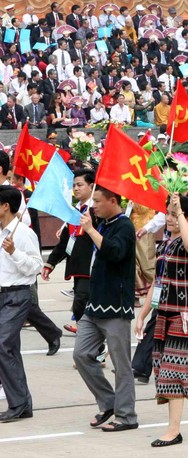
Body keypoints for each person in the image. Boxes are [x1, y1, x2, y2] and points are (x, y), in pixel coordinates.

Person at [134, 193, 188, 447]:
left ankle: (174, 431)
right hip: (164, 313)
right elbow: (157, 283)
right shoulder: (164, 245)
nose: (169, 219)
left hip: (185, 316)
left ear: (187, 217)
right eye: (169, 214)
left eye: (173, 215)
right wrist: (142, 315)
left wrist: (179, 211)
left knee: (173, 372)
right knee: (165, 370)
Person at [73, 185, 139, 431]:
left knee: (121, 364)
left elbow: (115, 253)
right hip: (94, 304)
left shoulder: (124, 226)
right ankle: (109, 402)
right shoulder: (102, 223)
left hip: (115, 306)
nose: (94, 206)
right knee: (81, 355)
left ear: (113, 200)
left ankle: (127, 415)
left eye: (98, 201)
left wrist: (90, 229)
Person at [0, 185, 42, 422]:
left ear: (5, 206)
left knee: (3, 345)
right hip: (2, 295)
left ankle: (17, 404)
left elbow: (35, 267)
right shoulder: (1, 231)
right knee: (9, 348)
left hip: (17, 296)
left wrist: (15, 252)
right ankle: (22, 404)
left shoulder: (23, 233)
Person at [42, 169, 95, 334]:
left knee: (80, 302)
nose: (76, 189)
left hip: (93, 267)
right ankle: (91, 345)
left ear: (92, 186)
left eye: (80, 185)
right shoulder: (74, 212)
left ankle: (93, 345)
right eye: (74, 185)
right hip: (77, 267)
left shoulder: (97, 211)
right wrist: (50, 263)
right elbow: (65, 242)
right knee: (81, 305)